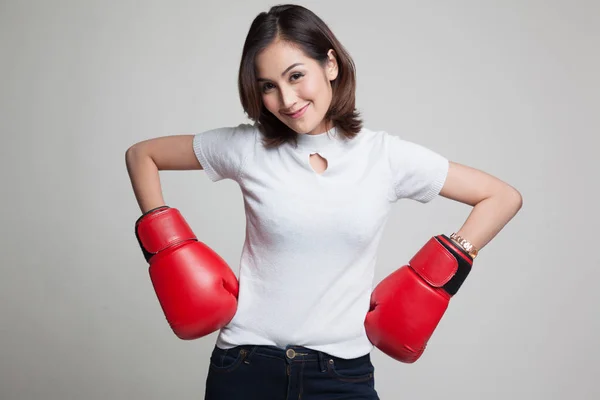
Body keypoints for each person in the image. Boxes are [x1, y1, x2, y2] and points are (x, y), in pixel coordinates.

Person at [125, 4, 523, 399]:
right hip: (245, 367)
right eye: (268, 86)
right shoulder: (247, 147)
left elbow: (501, 197)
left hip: (340, 374)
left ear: (330, 64)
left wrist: (440, 268)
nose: (286, 98)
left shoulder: (384, 157)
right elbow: (142, 155)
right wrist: (168, 248)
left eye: (296, 76)